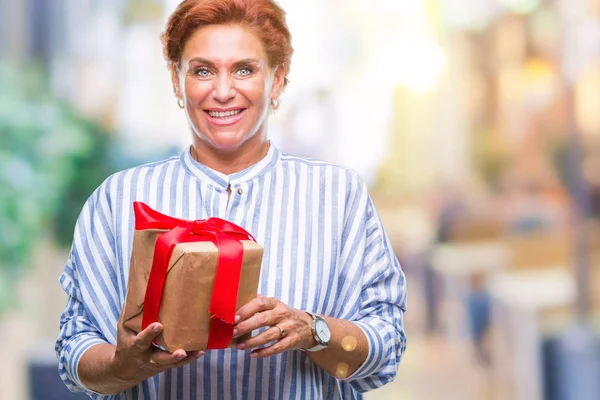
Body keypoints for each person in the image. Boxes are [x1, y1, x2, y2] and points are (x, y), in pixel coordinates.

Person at [55, 0, 407, 398]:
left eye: (244, 69)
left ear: (277, 80)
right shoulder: (117, 201)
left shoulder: (339, 197)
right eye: (202, 70)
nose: (222, 92)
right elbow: (74, 353)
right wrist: (124, 365)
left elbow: (387, 349)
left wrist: (313, 330)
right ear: (176, 80)